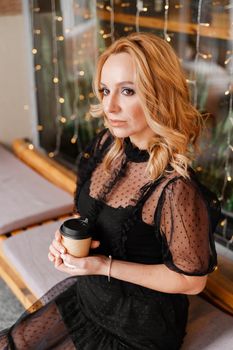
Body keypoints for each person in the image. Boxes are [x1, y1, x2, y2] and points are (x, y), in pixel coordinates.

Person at [0, 32, 220, 350]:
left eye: (127, 91)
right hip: (92, 293)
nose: (109, 106)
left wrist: (103, 266)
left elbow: (192, 280)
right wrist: (65, 242)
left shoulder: (175, 188)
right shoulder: (108, 145)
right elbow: (85, 216)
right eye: (105, 90)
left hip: (138, 325)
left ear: (159, 95)